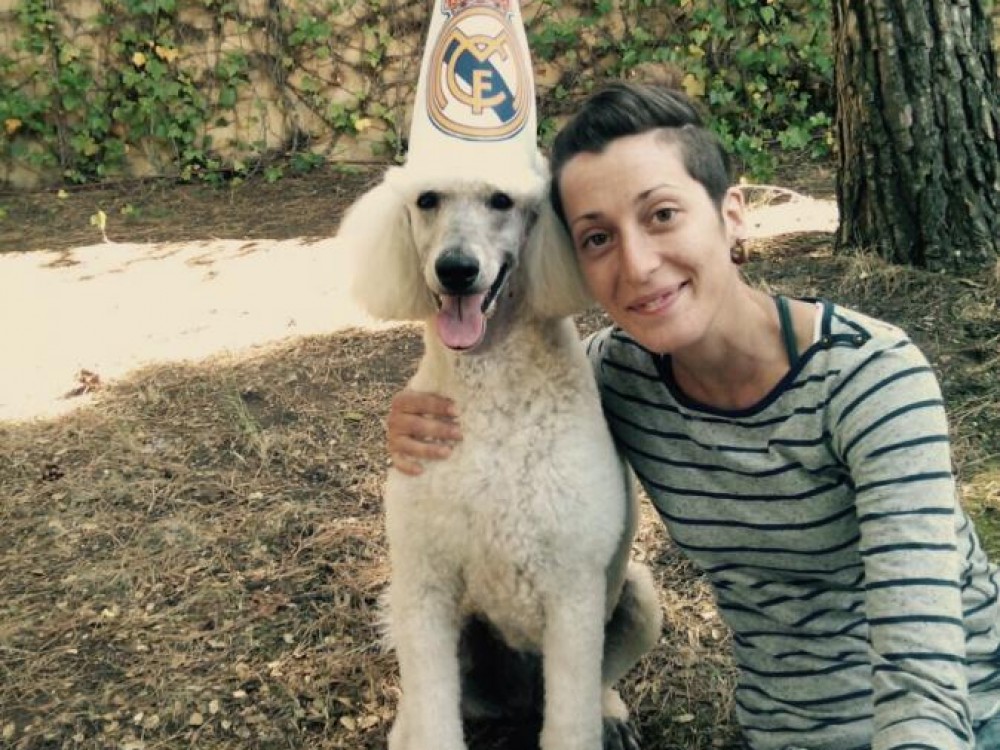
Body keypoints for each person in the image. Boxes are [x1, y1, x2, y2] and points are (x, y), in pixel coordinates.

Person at [385, 82, 1000, 749]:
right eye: (597, 237)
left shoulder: (872, 378)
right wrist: (416, 417)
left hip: (969, 715)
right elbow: (515, 403)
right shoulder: (616, 374)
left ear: (733, 215)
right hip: (781, 731)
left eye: (662, 215)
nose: (638, 265)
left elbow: (923, 668)